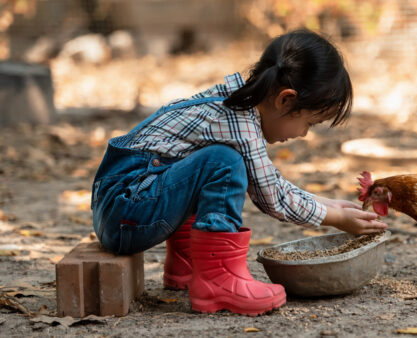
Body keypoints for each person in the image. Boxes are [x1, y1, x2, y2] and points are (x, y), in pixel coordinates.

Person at [91, 29, 388, 316]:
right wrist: (333, 217)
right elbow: (274, 199)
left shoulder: (237, 103)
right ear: (285, 99)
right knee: (224, 162)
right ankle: (217, 280)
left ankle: (188, 264)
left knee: (210, 163)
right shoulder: (240, 125)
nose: (304, 135)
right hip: (125, 215)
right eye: (309, 123)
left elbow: (270, 182)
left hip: (122, 206)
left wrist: (329, 203)